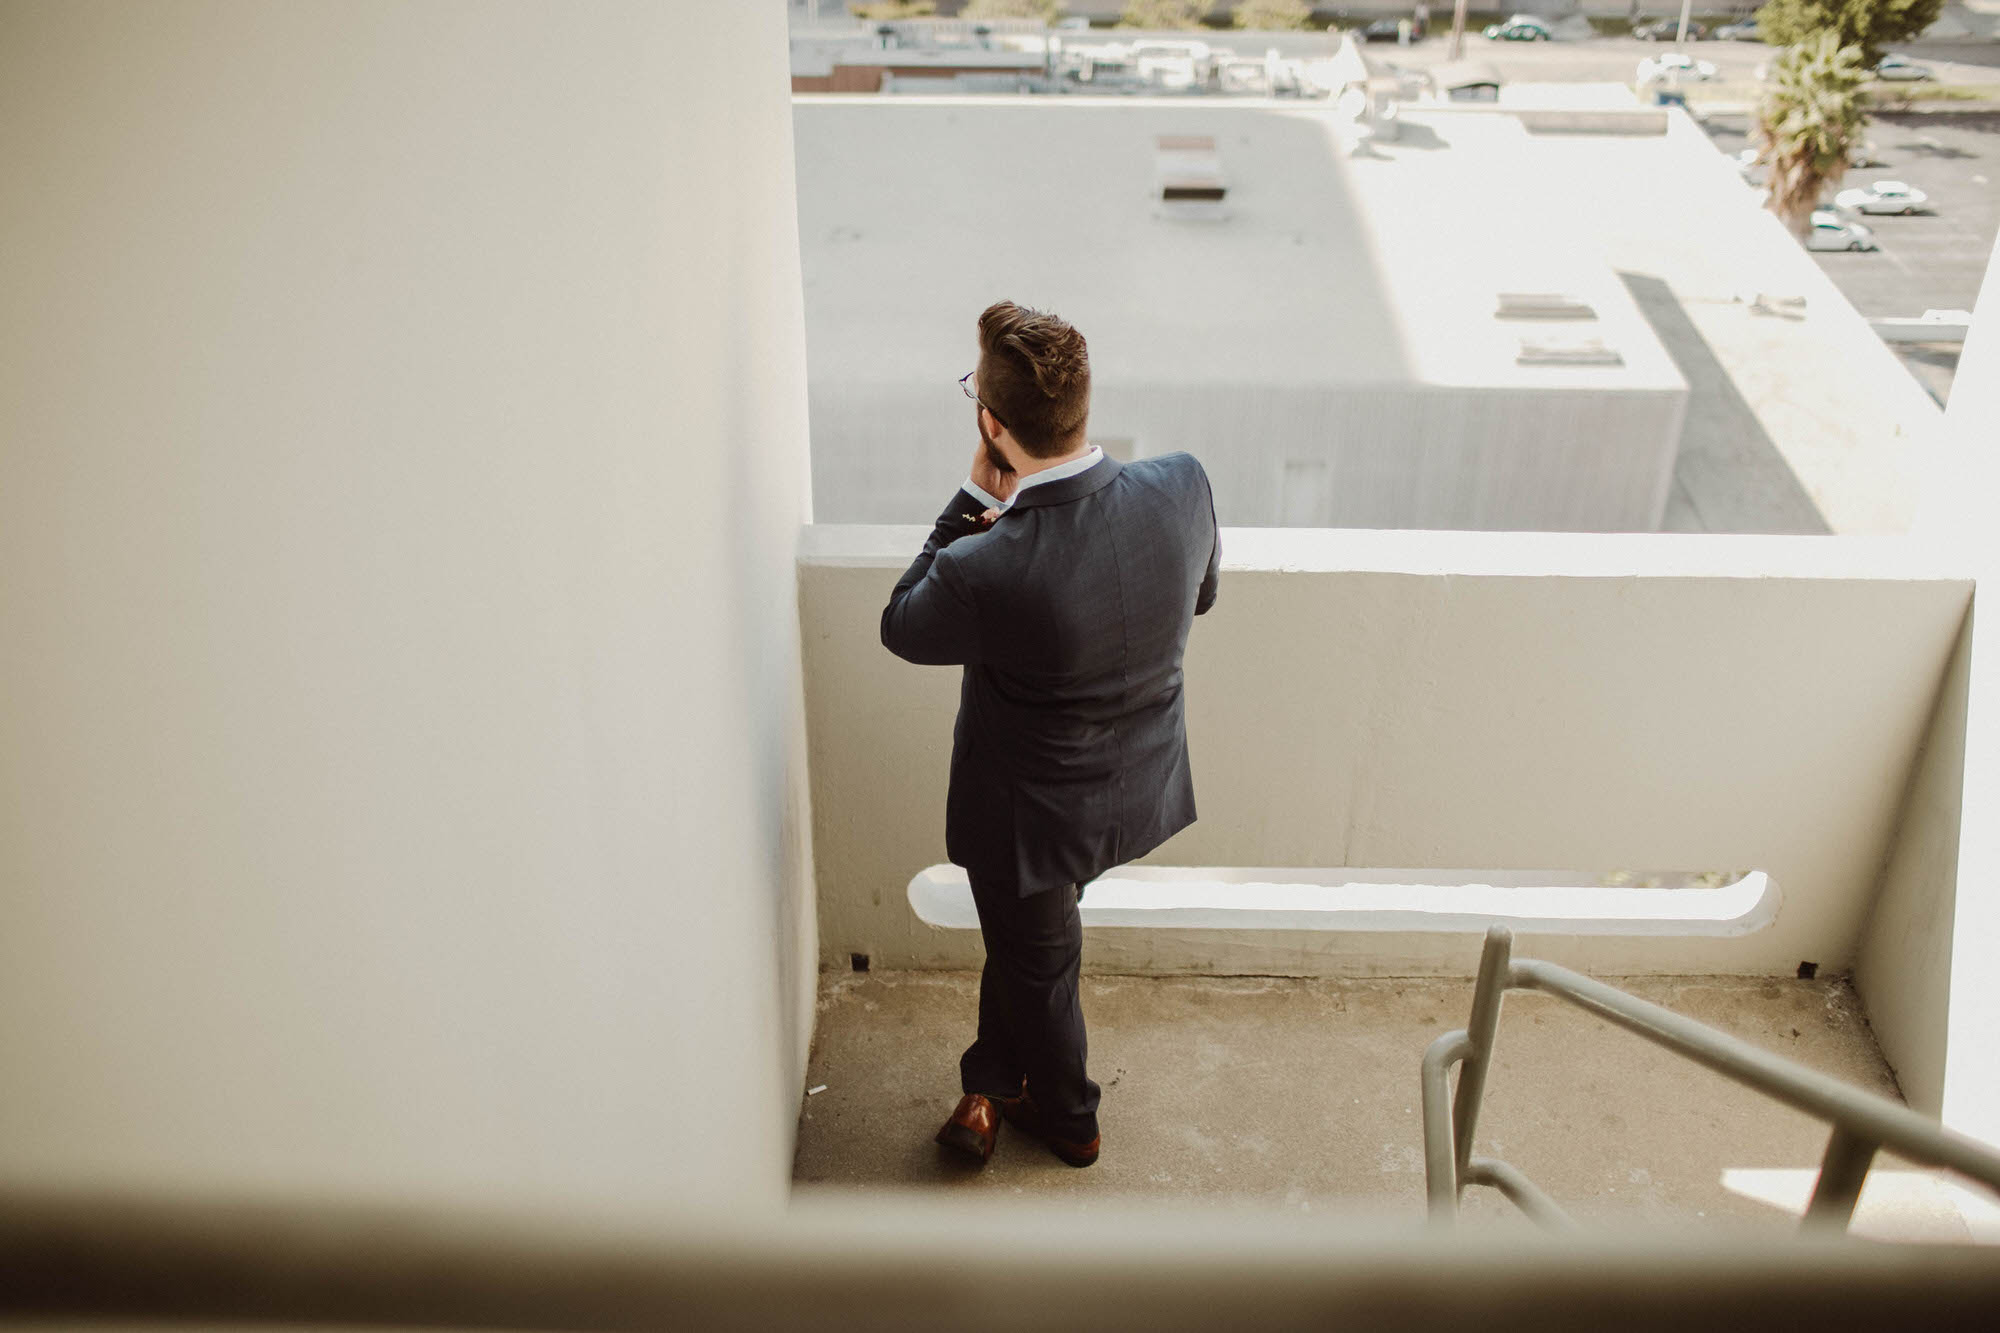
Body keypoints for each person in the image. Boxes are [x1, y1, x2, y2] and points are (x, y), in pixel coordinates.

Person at [880, 301, 1220, 1169]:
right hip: (1136, 787)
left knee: (1039, 959)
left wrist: (971, 502)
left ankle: (1070, 1116)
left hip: (1029, 821)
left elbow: (902, 626)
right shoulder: (1182, 485)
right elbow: (1199, 596)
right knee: (1032, 944)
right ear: (1081, 405)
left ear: (990, 422)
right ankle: (990, 1081)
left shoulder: (984, 563)